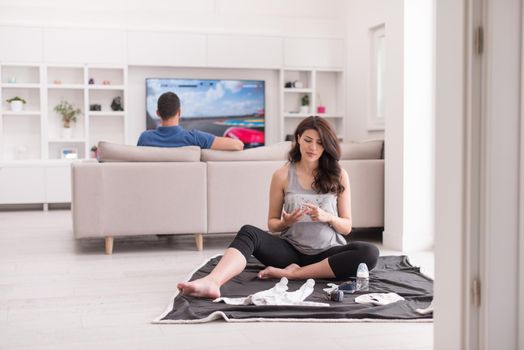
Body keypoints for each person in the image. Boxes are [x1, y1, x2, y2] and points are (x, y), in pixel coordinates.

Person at [177, 116, 379, 299]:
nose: (313, 148)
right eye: (308, 140)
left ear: (327, 146)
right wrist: (286, 221)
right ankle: (213, 282)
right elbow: (272, 225)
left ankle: (295, 273)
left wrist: (328, 217)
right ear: (298, 138)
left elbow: (346, 227)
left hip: (327, 254)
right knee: (249, 232)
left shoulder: (339, 174)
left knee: (369, 252)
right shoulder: (281, 175)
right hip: (290, 252)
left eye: (320, 143)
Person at [138, 92, 244, 151]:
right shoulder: (195, 138)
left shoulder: (145, 138)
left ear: (158, 113)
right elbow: (238, 145)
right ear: (179, 112)